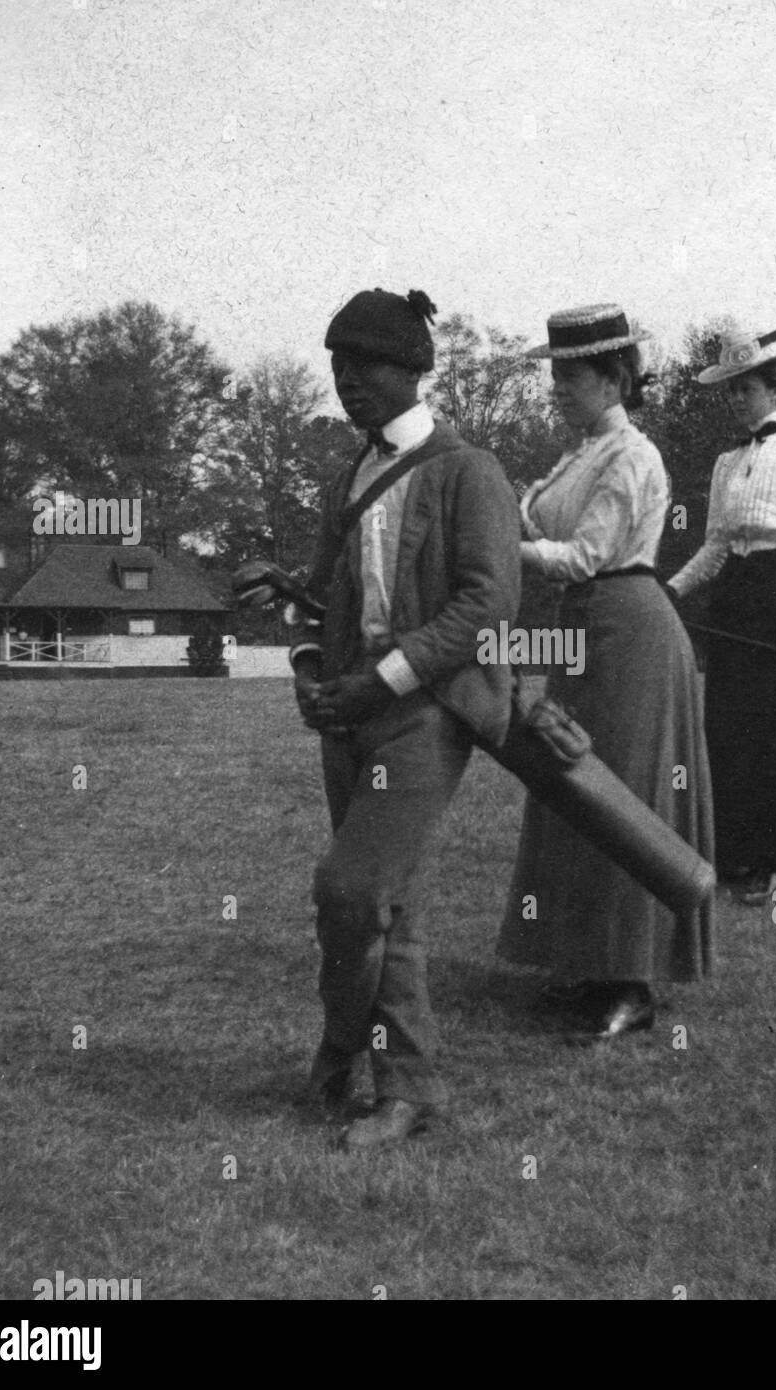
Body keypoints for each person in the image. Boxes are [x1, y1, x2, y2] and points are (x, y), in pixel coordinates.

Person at [291, 287, 522, 1151]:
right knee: (395, 906)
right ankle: (408, 1088)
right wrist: (311, 673)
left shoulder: (469, 471)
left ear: (412, 370)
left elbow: (489, 603)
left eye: (365, 365)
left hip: (426, 716)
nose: (348, 381)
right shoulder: (344, 477)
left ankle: (340, 1044)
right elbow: (314, 600)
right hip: (345, 718)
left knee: (349, 891)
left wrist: (379, 681)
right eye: (338, 366)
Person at [497, 303, 714, 1037]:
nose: (557, 387)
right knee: (576, 788)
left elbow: (584, 556)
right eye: (554, 373)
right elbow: (541, 527)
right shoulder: (581, 451)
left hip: (630, 628)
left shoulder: (630, 453)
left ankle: (635, 979)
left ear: (614, 377)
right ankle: (588, 960)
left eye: (572, 374)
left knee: (628, 788)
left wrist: (496, 548)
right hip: (585, 630)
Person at [667, 319, 776, 905]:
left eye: (748, 387)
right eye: (731, 390)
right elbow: (713, 547)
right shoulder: (723, 463)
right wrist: (669, 592)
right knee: (730, 728)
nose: (738, 399)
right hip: (733, 600)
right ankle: (736, 855)